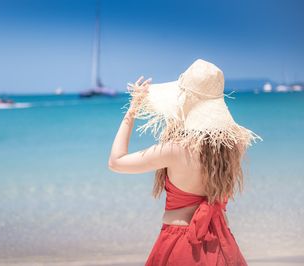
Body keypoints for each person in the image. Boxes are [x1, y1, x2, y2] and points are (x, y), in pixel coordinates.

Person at [108, 59, 262, 265]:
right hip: (222, 245)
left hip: (180, 244)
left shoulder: (176, 150)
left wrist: (132, 110)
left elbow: (116, 162)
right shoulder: (235, 146)